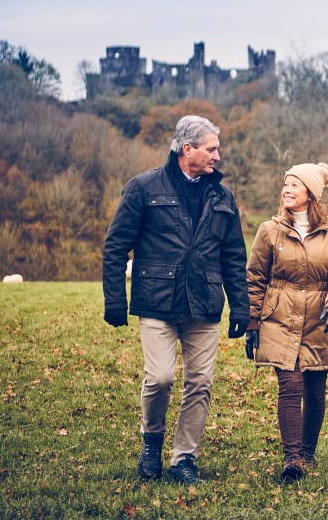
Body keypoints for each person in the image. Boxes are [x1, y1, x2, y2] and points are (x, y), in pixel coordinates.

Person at [102, 115, 249, 484]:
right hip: (157, 302)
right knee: (161, 377)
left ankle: (184, 460)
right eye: (211, 148)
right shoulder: (143, 187)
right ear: (188, 149)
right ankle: (152, 443)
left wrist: (241, 307)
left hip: (204, 304)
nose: (218, 155)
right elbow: (116, 246)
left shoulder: (222, 196)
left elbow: (233, 256)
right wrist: (115, 301)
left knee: (200, 383)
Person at [245, 161, 328, 481]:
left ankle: (308, 452)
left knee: (315, 389)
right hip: (279, 317)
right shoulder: (269, 230)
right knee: (290, 385)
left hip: (319, 319)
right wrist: (252, 322)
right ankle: (292, 457)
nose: (286, 189)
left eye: (294, 184)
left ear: (311, 193)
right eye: (285, 184)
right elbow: (255, 279)